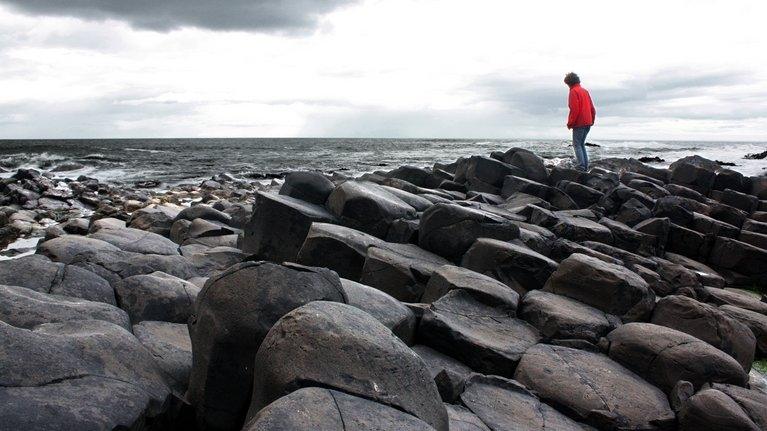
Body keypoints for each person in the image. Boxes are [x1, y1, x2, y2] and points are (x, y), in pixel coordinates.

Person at [564, 72, 596, 171]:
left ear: (569, 83)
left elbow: (575, 109)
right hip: (588, 121)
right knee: (581, 144)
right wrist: (592, 120)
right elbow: (592, 108)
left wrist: (570, 123)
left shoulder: (573, 91)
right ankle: (585, 166)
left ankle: (581, 166)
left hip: (579, 122)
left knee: (577, 144)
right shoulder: (585, 91)